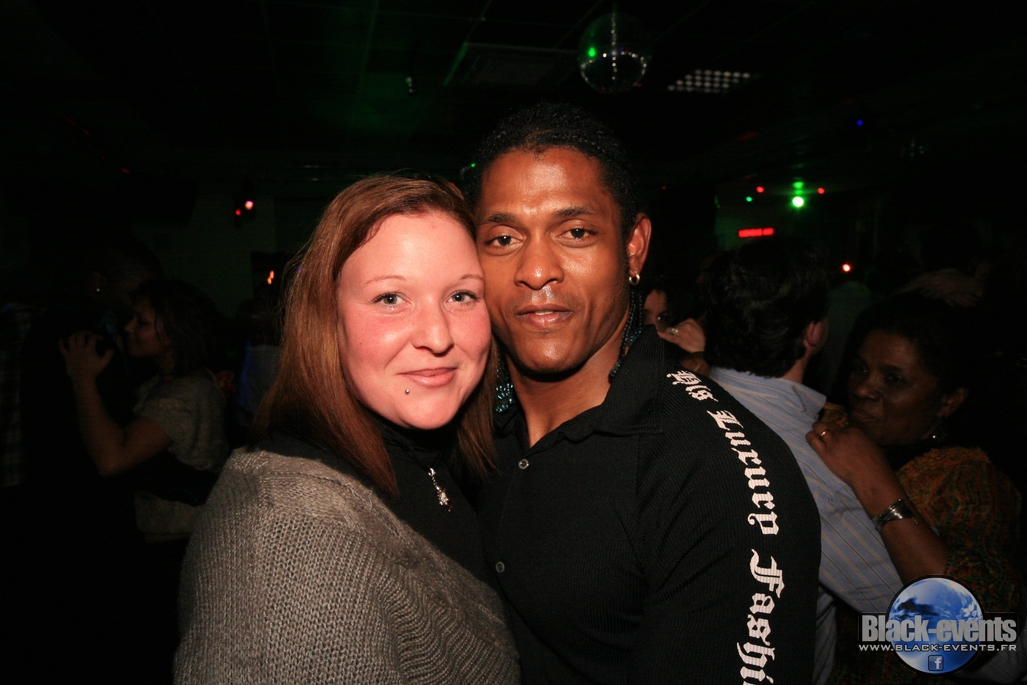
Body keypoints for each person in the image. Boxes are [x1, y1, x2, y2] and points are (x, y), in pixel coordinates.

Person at [464, 102, 820, 684]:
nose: (536, 269)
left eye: (575, 232)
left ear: (633, 247)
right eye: (503, 238)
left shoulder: (715, 477)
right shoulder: (458, 419)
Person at [175, 175, 519, 684]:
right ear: (326, 318)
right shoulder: (290, 539)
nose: (438, 336)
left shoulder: (437, 457)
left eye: (462, 295)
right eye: (390, 298)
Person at [701, 239, 902, 684]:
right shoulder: (814, 468)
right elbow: (965, 643)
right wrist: (883, 490)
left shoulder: (674, 400)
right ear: (814, 332)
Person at [807, 297, 1025, 683]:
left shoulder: (968, 482)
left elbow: (975, 633)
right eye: (860, 368)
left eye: (893, 380)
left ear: (949, 400)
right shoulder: (831, 424)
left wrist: (877, 486)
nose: (864, 389)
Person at [62, 276, 230, 678]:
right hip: (169, 545)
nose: (128, 328)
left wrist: (82, 378)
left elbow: (112, 458)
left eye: (141, 322)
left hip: (179, 550)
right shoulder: (166, 385)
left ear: (172, 334)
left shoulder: (187, 393)